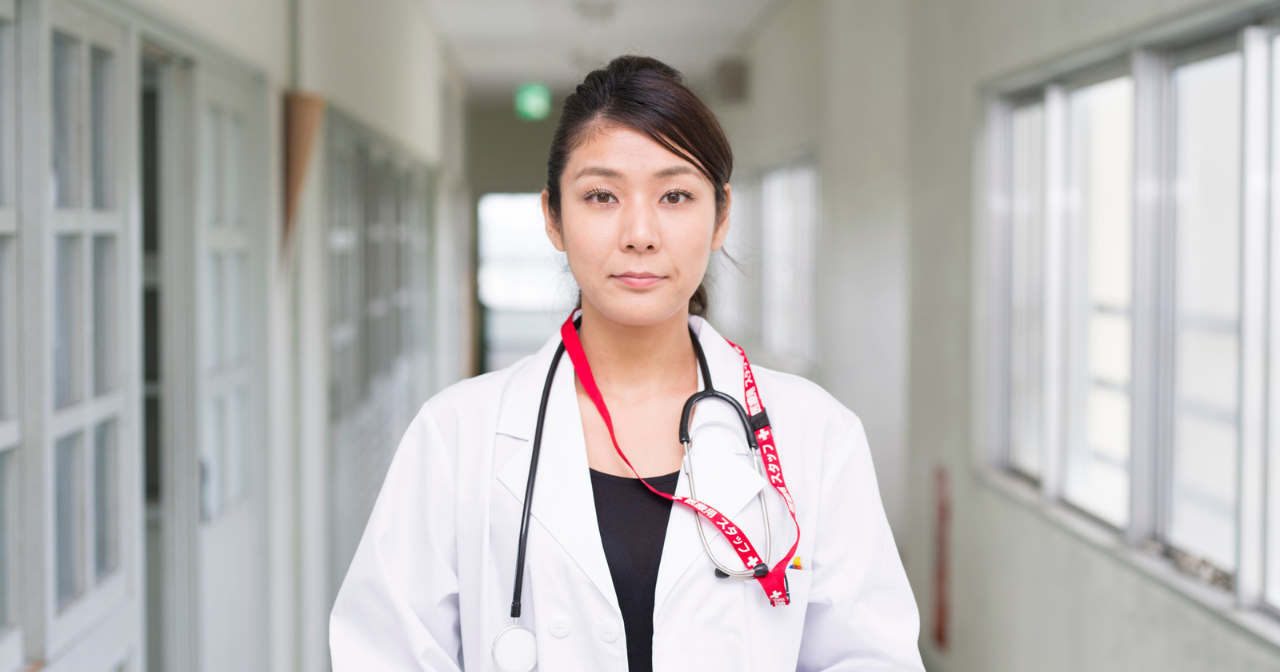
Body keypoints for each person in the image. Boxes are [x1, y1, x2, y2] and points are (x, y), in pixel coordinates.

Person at [330, 55, 924, 672]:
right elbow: (383, 652)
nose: (639, 233)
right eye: (600, 195)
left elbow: (868, 657)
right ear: (553, 219)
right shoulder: (457, 434)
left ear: (720, 216)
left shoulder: (814, 434)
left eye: (674, 195)